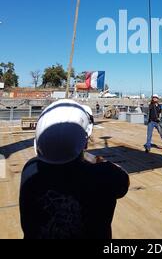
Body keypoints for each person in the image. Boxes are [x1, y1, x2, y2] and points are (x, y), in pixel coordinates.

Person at [19, 99, 129, 240]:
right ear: (84, 142)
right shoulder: (105, 174)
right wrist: (92, 157)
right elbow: (124, 180)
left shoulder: (29, 170)